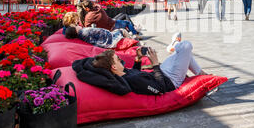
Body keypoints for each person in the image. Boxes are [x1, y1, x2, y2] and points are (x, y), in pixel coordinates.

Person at [72, 41, 209, 96]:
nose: (121, 59)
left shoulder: (124, 74)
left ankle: (203, 74)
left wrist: (138, 60)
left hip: (163, 72)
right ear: (113, 67)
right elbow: (161, 89)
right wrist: (155, 64)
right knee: (185, 47)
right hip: (171, 80)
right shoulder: (133, 80)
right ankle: (174, 47)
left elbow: (135, 72)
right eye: (118, 59)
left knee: (183, 54)